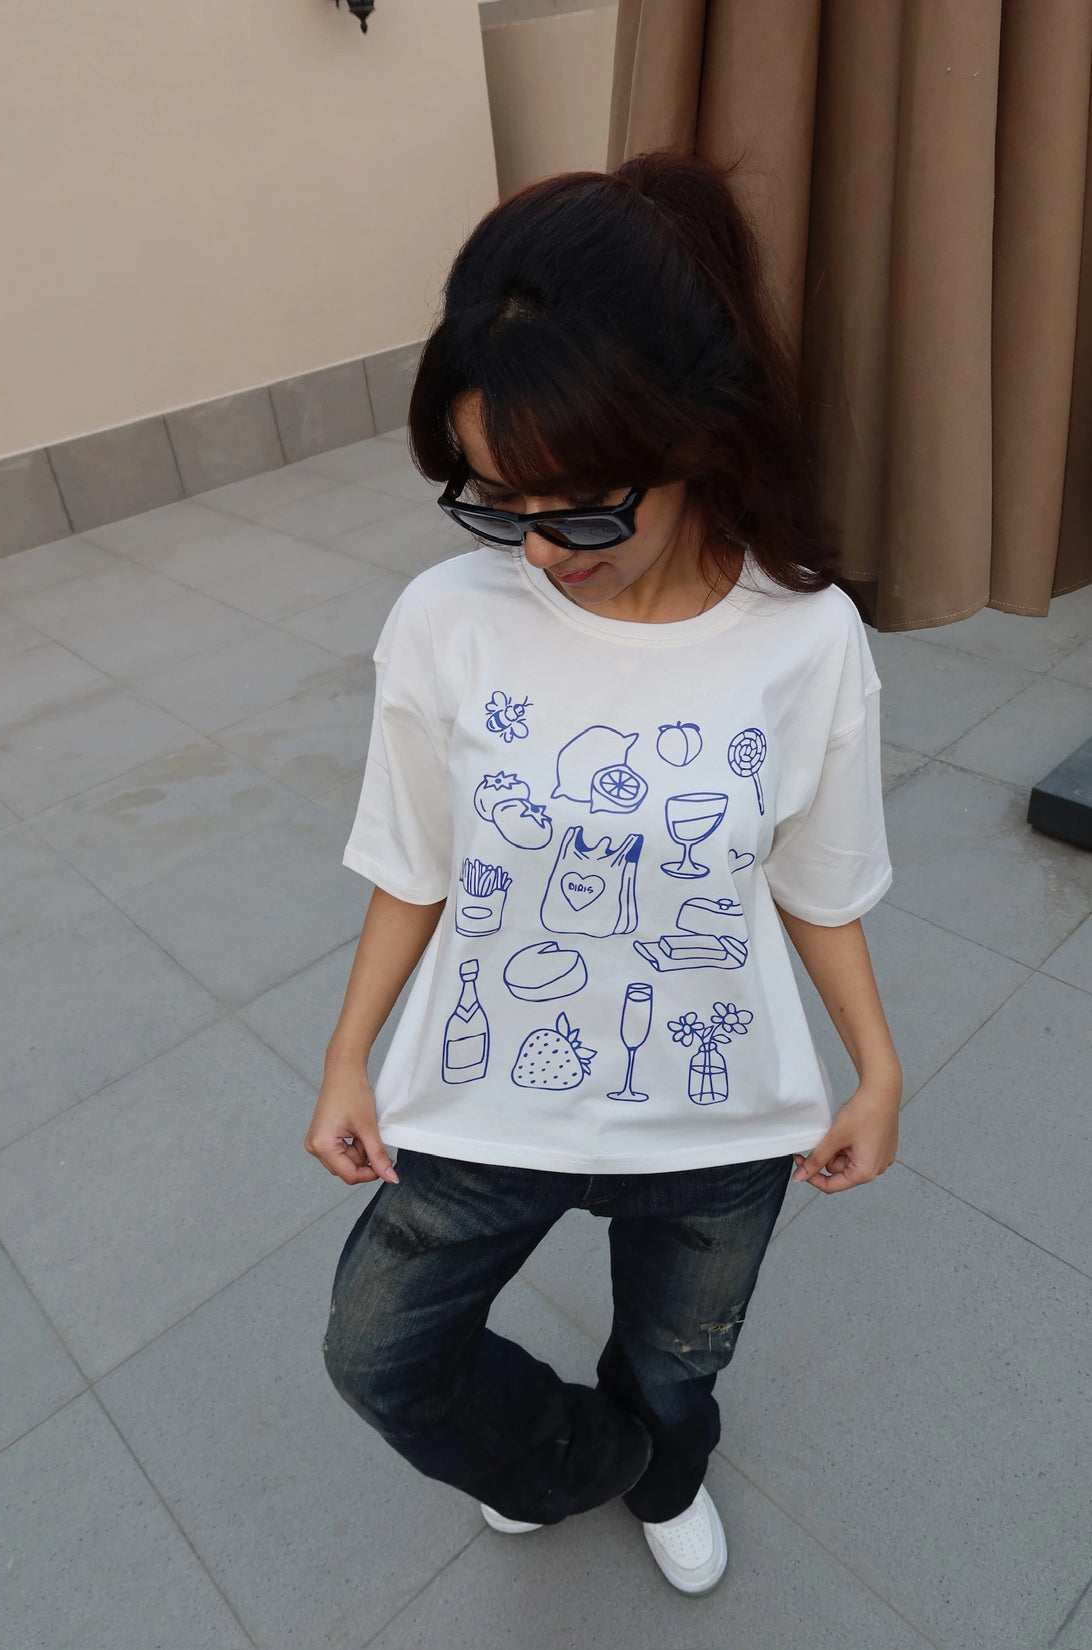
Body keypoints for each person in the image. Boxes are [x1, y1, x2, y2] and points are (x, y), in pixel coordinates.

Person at [305, 148, 901, 1597]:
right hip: (483, 1102)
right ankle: (572, 1460)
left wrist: (877, 1066)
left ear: (697, 439)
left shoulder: (807, 639)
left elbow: (818, 880)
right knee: (378, 1352)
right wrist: (347, 1056)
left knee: (678, 1363)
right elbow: (415, 860)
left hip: (716, 1123)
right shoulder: (447, 620)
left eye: (577, 507)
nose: (535, 549)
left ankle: (664, 1463)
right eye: (494, 500)